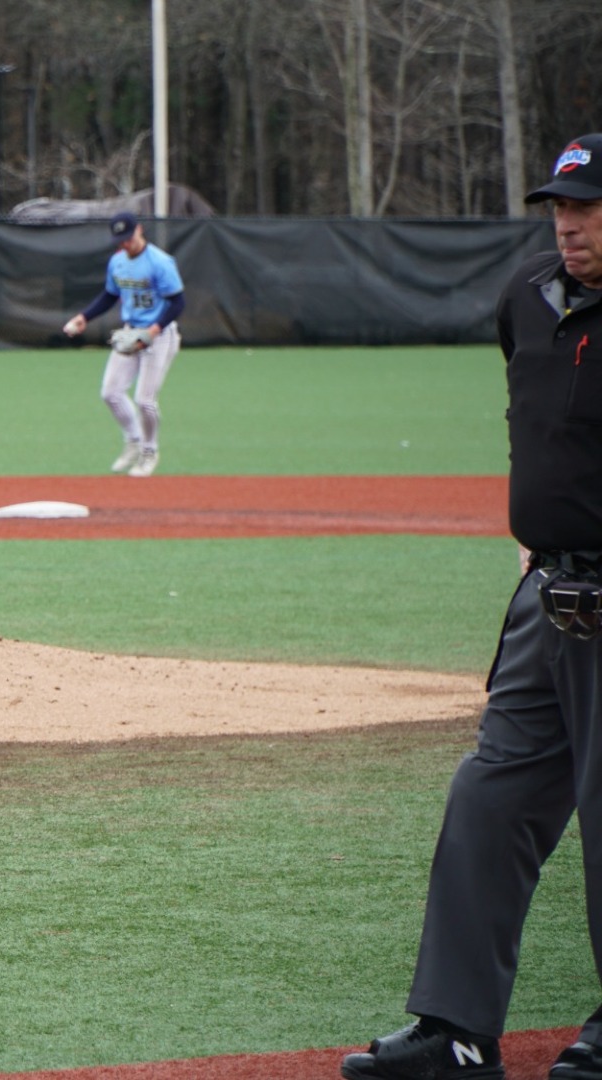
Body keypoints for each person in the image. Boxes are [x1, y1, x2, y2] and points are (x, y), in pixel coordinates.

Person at [340, 133, 602, 1080]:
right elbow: (532, 417)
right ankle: (456, 1031)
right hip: (546, 602)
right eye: (560, 207)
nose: (568, 224)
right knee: (489, 799)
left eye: (587, 207)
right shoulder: (526, 297)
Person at [60, 210, 185, 477]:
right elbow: (109, 295)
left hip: (160, 334)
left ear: (139, 230)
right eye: (121, 240)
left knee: (145, 400)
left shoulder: (160, 262)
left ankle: (149, 451)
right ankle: (134, 440)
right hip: (131, 332)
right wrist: (84, 317)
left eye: (129, 237)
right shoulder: (117, 262)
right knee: (111, 393)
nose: (125, 243)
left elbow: (178, 302)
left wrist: (153, 331)